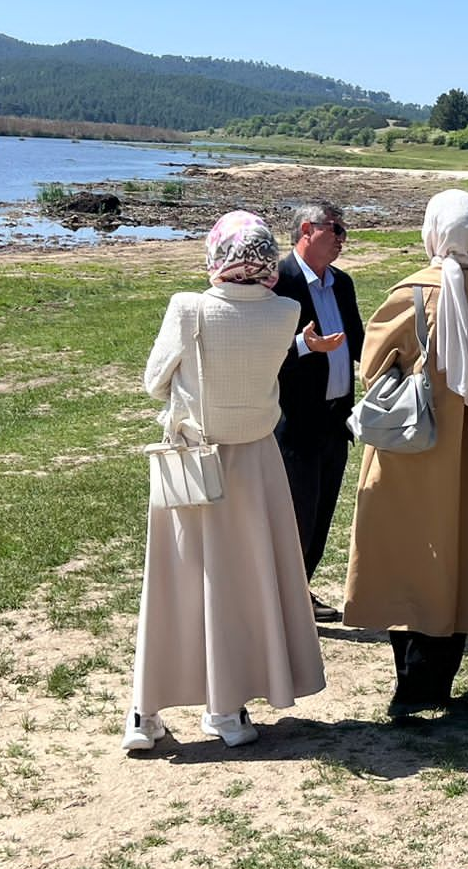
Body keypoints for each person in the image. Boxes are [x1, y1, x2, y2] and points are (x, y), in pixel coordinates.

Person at [123, 211, 330, 752]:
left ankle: (144, 715)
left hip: (192, 458)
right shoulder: (286, 310)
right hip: (256, 463)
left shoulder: (187, 307)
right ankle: (226, 709)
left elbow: (153, 383)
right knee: (242, 583)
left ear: (217, 254)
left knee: (174, 584)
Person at [345, 190, 468, 717]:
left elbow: (372, 366)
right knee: (463, 552)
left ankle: (412, 683)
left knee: (409, 553)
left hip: (417, 448)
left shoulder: (413, 293)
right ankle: (437, 680)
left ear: (434, 230)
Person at [275, 201, 365, 623]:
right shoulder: (278, 281)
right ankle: (284, 601)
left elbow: (360, 344)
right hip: (295, 423)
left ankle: (300, 593)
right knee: (295, 517)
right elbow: (262, 355)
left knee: (321, 515)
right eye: (337, 230)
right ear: (307, 229)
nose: (343, 239)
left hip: (335, 421)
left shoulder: (341, 284)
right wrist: (303, 345)